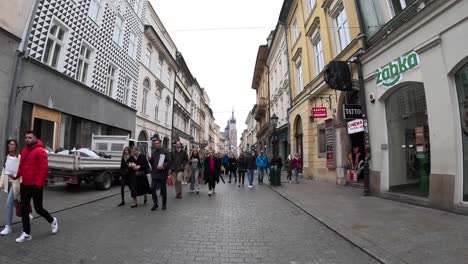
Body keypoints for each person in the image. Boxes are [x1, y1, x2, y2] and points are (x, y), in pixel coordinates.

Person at [13, 131, 58, 243]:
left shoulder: (40, 151)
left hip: (36, 185)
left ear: (35, 138)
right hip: (25, 184)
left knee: (38, 209)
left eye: (30, 137)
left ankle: (53, 220)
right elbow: (21, 167)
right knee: (24, 209)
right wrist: (15, 176)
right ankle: (26, 233)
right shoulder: (24, 151)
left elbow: (44, 169)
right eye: (26, 137)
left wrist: (39, 184)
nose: (27, 139)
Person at [0, 140, 33, 236]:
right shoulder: (8, 156)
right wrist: (1, 182)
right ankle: (27, 216)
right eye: (9, 144)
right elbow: (4, 170)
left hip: (16, 183)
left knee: (9, 204)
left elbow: (23, 170)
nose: (9, 145)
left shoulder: (19, 157)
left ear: (16, 146)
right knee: (16, 204)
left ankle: (8, 227)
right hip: (9, 183)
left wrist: (23, 183)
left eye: (12, 144)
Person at [148, 134, 171, 211]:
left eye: (157, 143)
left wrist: (163, 166)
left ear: (160, 143)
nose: (156, 145)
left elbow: (169, 162)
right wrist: (149, 159)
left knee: (163, 190)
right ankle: (155, 203)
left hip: (162, 174)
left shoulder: (165, 151)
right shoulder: (154, 152)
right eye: (155, 144)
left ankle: (164, 204)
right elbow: (152, 163)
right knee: (153, 188)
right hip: (155, 174)